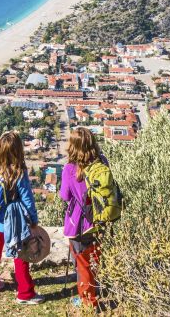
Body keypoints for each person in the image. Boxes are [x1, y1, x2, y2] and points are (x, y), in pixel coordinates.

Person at [0, 131, 44, 305]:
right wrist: (33, 221)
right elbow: (27, 199)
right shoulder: (17, 171)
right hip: (11, 219)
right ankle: (25, 293)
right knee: (20, 253)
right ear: (17, 150)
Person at [60, 127, 105, 308]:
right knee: (95, 257)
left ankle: (88, 301)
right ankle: (94, 290)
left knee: (82, 262)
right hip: (100, 218)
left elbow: (65, 196)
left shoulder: (70, 169)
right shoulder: (102, 162)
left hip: (79, 223)